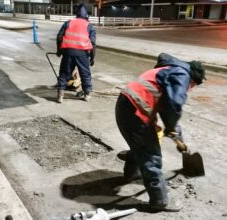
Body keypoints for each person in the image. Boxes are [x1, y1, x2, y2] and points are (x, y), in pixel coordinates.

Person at [115, 53, 206, 212]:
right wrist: (170, 127)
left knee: (143, 144)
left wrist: (179, 138)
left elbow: (167, 108)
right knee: (151, 156)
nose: (189, 89)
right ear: (193, 80)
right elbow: (174, 104)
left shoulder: (170, 70)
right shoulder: (182, 74)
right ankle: (159, 201)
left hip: (126, 106)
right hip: (134, 111)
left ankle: (131, 172)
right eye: (191, 87)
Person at [56, 4, 96, 103]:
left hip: (68, 52)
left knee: (64, 73)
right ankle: (87, 95)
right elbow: (93, 43)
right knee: (85, 74)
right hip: (82, 53)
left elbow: (59, 37)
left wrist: (59, 51)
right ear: (87, 16)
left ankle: (60, 96)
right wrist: (92, 57)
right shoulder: (89, 26)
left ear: (77, 15)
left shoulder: (68, 23)